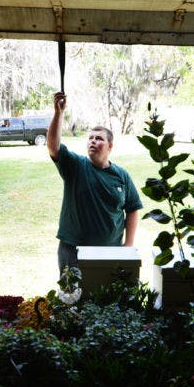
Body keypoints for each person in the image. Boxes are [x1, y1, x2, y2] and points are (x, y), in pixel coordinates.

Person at [47, 92, 143, 271]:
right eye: (90, 138)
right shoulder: (75, 166)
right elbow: (53, 146)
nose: (92, 141)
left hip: (110, 251)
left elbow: (133, 208)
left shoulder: (121, 176)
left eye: (98, 139)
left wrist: (128, 245)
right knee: (72, 298)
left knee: (107, 297)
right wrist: (58, 113)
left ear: (110, 146)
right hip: (73, 250)